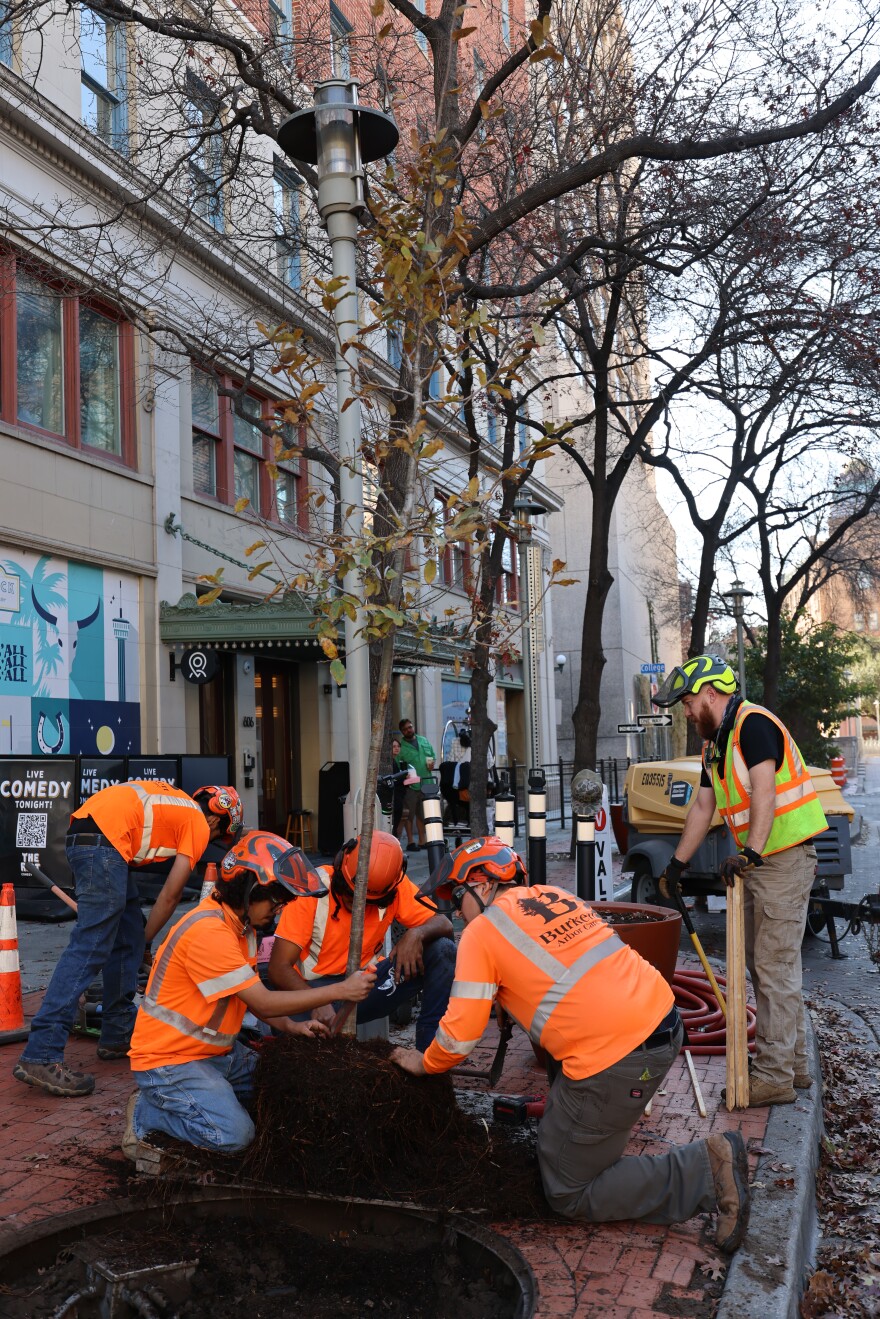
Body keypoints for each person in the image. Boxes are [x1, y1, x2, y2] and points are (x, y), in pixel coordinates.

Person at [391, 837, 751, 1254]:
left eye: (457, 896)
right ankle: (592, 1132)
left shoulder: (482, 933)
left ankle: (703, 1170)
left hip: (620, 1059)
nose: (455, 911)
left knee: (567, 1191)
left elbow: (458, 1040)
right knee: (558, 1135)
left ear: (484, 884)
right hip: (663, 1025)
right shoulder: (555, 896)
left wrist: (425, 1063)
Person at [124, 830, 376, 1159]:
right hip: (170, 1062)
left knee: (277, 1090)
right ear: (250, 889)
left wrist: (292, 1027)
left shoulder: (242, 929)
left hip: (215, 1055)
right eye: (277, 901)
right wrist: (341, 990)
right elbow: (262, 1001)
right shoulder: (209, 932)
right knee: (234, 1136)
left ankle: (191, 1102)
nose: (281, 910)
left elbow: (250, 997)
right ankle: (147, 1115)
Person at [653, 654, 827, 1106]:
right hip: (761, 862)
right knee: (765, 965)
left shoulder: (752, 725)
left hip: (782, 859)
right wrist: (677, 865)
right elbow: (702, 808)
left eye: (689, 703)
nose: (687, 713)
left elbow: (765, 791)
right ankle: (795, 1066)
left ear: (712, 694)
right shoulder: (717, 744)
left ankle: (774, 1076)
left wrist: (750, 850)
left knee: (774, 968)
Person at [13, 781, 243, 1098]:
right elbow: (171, 895)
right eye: (220, 835)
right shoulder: (197, 822)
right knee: (90, 948)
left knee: (127, 934)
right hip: (104, 844)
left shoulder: (174, 803)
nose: (212, 841)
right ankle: (42, 1053)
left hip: (94, 837)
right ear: (218, 819)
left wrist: (140, 940)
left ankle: (118, 1031)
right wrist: (150, 941)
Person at [267, 829, 456, 1052]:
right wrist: (319, 1000)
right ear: (340, 868)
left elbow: (444, 924)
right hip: (312, 993)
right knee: (294, 1044)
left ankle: (429, 1056)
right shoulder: (311, 888)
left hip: (365, 987)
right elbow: (278, 969)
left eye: (369, 902)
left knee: (443, 950)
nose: (357, 905)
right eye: (350, 896)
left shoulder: (395, 885)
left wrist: (415, 934)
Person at [397, 718, 436, 852]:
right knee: (409, 814)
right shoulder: (401, 748)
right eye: (406, 729)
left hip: (427, 781)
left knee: (422, 814)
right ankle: (410, 841)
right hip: (412, 785)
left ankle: (422, 840)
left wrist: (432, 763)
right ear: (402, 732)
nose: (409, 730)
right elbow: (398, 765)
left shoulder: (423, 740)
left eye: (410, 727)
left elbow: (432, 755)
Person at [390, 736, 413, 848]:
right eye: (393, 746)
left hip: (398, 797)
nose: (396, 748)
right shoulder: (391, 762)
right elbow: (394, 779)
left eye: (398, 746)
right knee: (394, 824)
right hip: (395, 798)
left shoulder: (395, 762)